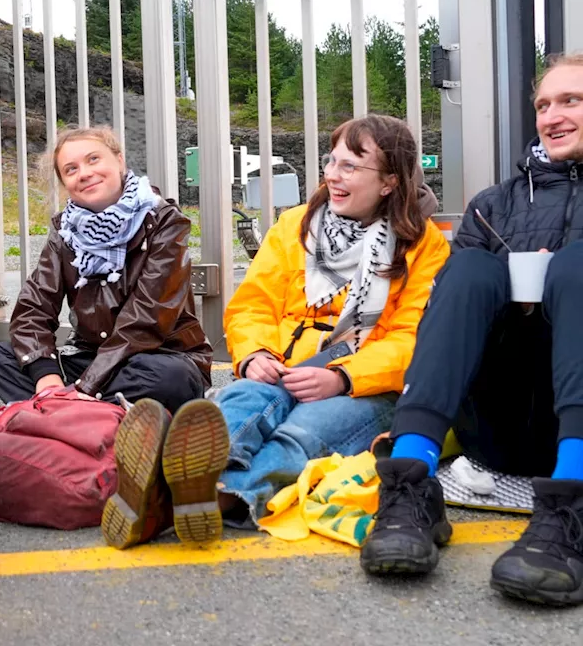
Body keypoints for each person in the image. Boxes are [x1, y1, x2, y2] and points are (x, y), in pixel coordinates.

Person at [110, 114, 450, 550]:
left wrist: (344, 377)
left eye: (351, 166)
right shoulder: (296, 225)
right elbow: (253, 304)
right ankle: (186, 491)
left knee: (302, 432)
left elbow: (413, 339)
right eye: (332, 162)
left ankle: (201, 498)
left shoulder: (423, 244)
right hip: (285, 363)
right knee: (242, 402)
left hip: (364, 385)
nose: (332, 174)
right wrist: (255, 355)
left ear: (388, 182)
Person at [361, 52, 583, 606]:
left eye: (570, 101)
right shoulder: (492, 207)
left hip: (573, 413)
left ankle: (574, 500)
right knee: (467, 268)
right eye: (543, 105)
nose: (551, 116)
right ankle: (410, 481)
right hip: (501, 422)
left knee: (578, 267)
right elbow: (452, 312)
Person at [0, 127, 213, 409]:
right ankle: (101, 420)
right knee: (0, 358)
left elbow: (146, 320)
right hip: (92, 358)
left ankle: (58, 417)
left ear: (119, 160)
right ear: (65, 183)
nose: (85, 173)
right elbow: (33, 308)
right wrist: (48, 379)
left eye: (94, 159)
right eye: (71, 169)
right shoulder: (65, 231)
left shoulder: (163, 221)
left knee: (172, 378)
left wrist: (86, 386)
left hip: (157, 356)